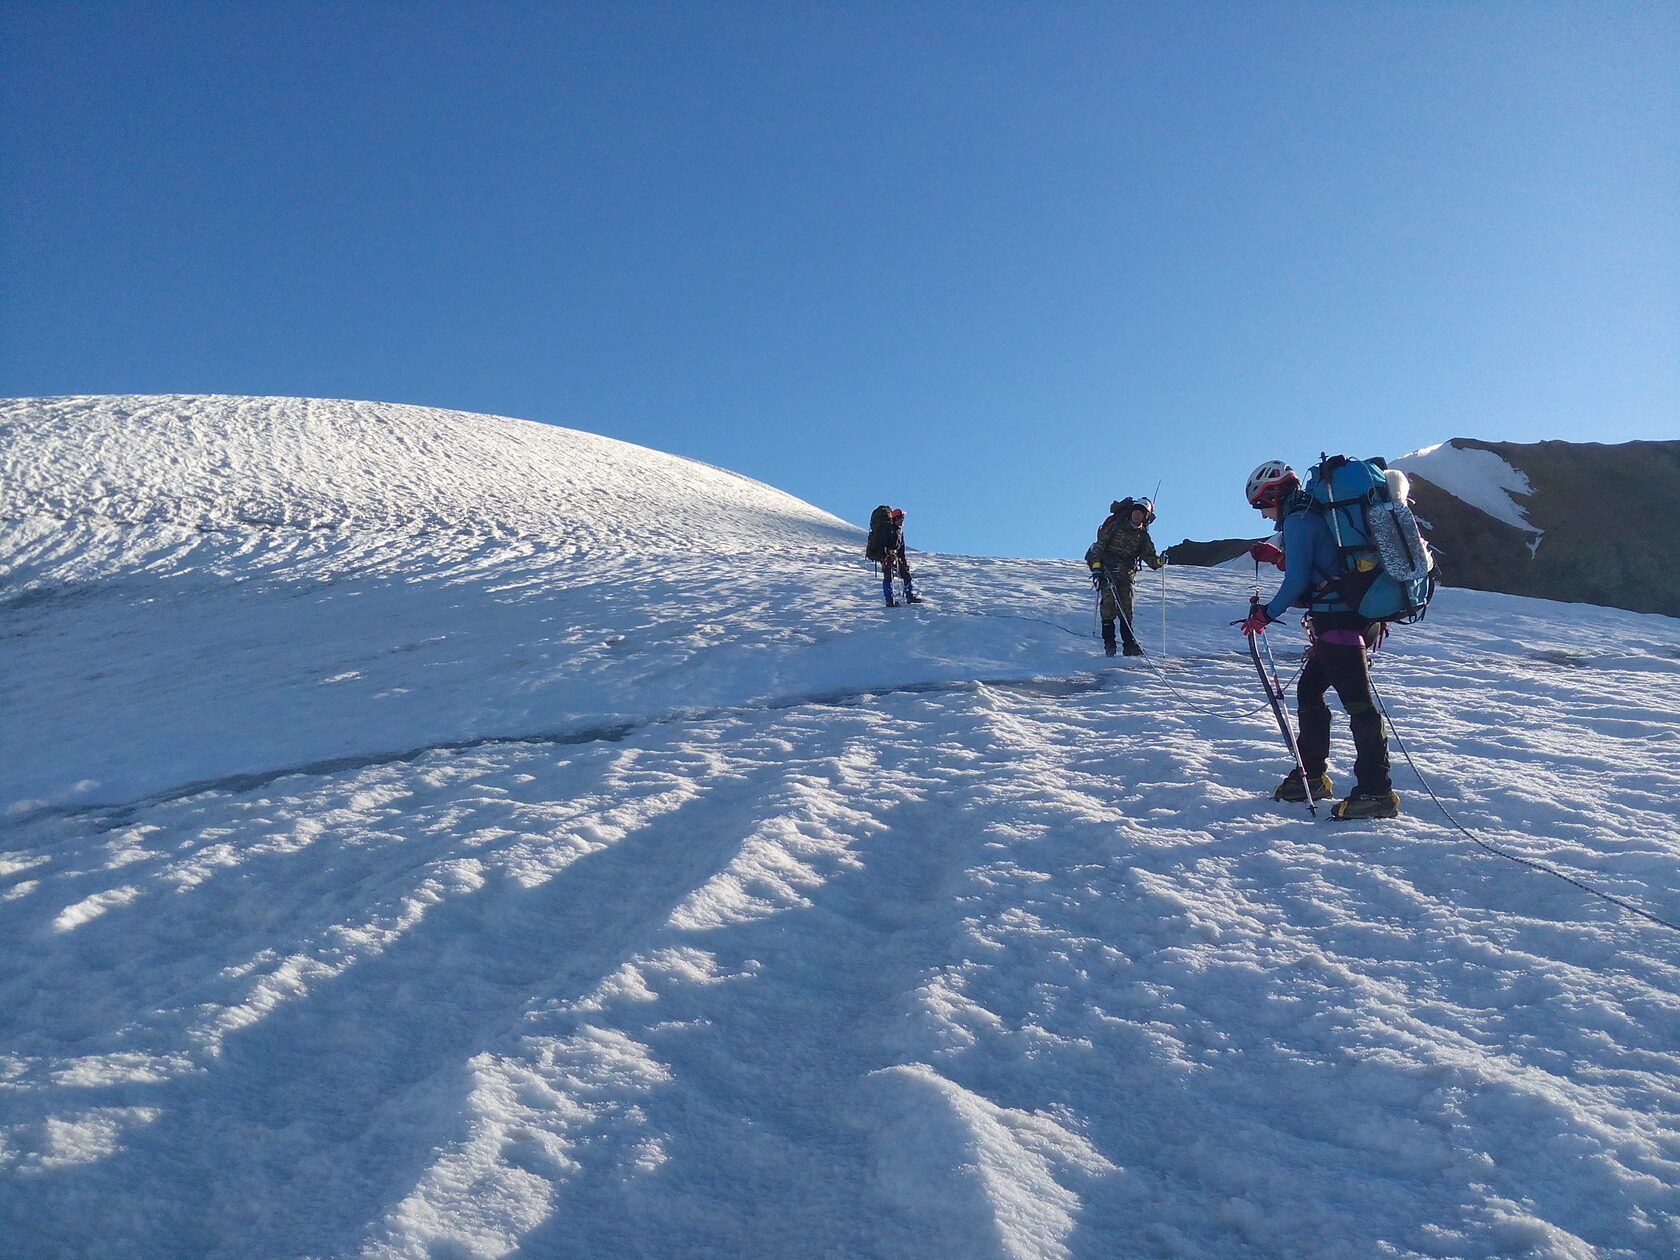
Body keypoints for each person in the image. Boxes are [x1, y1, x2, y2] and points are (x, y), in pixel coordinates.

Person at [1237, 460, 1400, 820]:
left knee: (1359, 704)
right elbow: (1321, 563)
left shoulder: (1298, 520)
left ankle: (1376, 791)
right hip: (1357, 614)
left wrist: (1265, 615)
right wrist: (1277, 556)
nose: (1263, 516)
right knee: (1309, 691)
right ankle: (1310, 776)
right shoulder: (1313, 514)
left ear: (1275, 493)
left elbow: (1297, 583)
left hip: (1338, 620)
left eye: (1262, 505)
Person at [1085, 497, 1164, 656]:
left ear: (1146, 517)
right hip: (1108, 568)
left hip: (1127, 573)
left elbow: (1150, 558)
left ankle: (1129, 645)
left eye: (1141, 514)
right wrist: (1096, 567)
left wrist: (1160, 561)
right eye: (1135, 512)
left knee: (1126, 607)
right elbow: (1100, 547)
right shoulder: (1116, 526)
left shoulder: (1143, 537)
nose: (1137, 516)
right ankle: (1109, 643)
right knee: (1108, 605)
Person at [879, 507, 922, 607]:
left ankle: (909, 596)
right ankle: (890, 600)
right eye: (901, 518)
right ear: (896, 519)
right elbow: (883, 544)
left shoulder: (899, 533)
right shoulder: (888, 530)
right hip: (887, 558)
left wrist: (904, 562)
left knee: (906, 576)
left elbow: (901, 550)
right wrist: (885, 556)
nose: (902, 520)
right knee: (888, 578)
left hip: (895, 558)